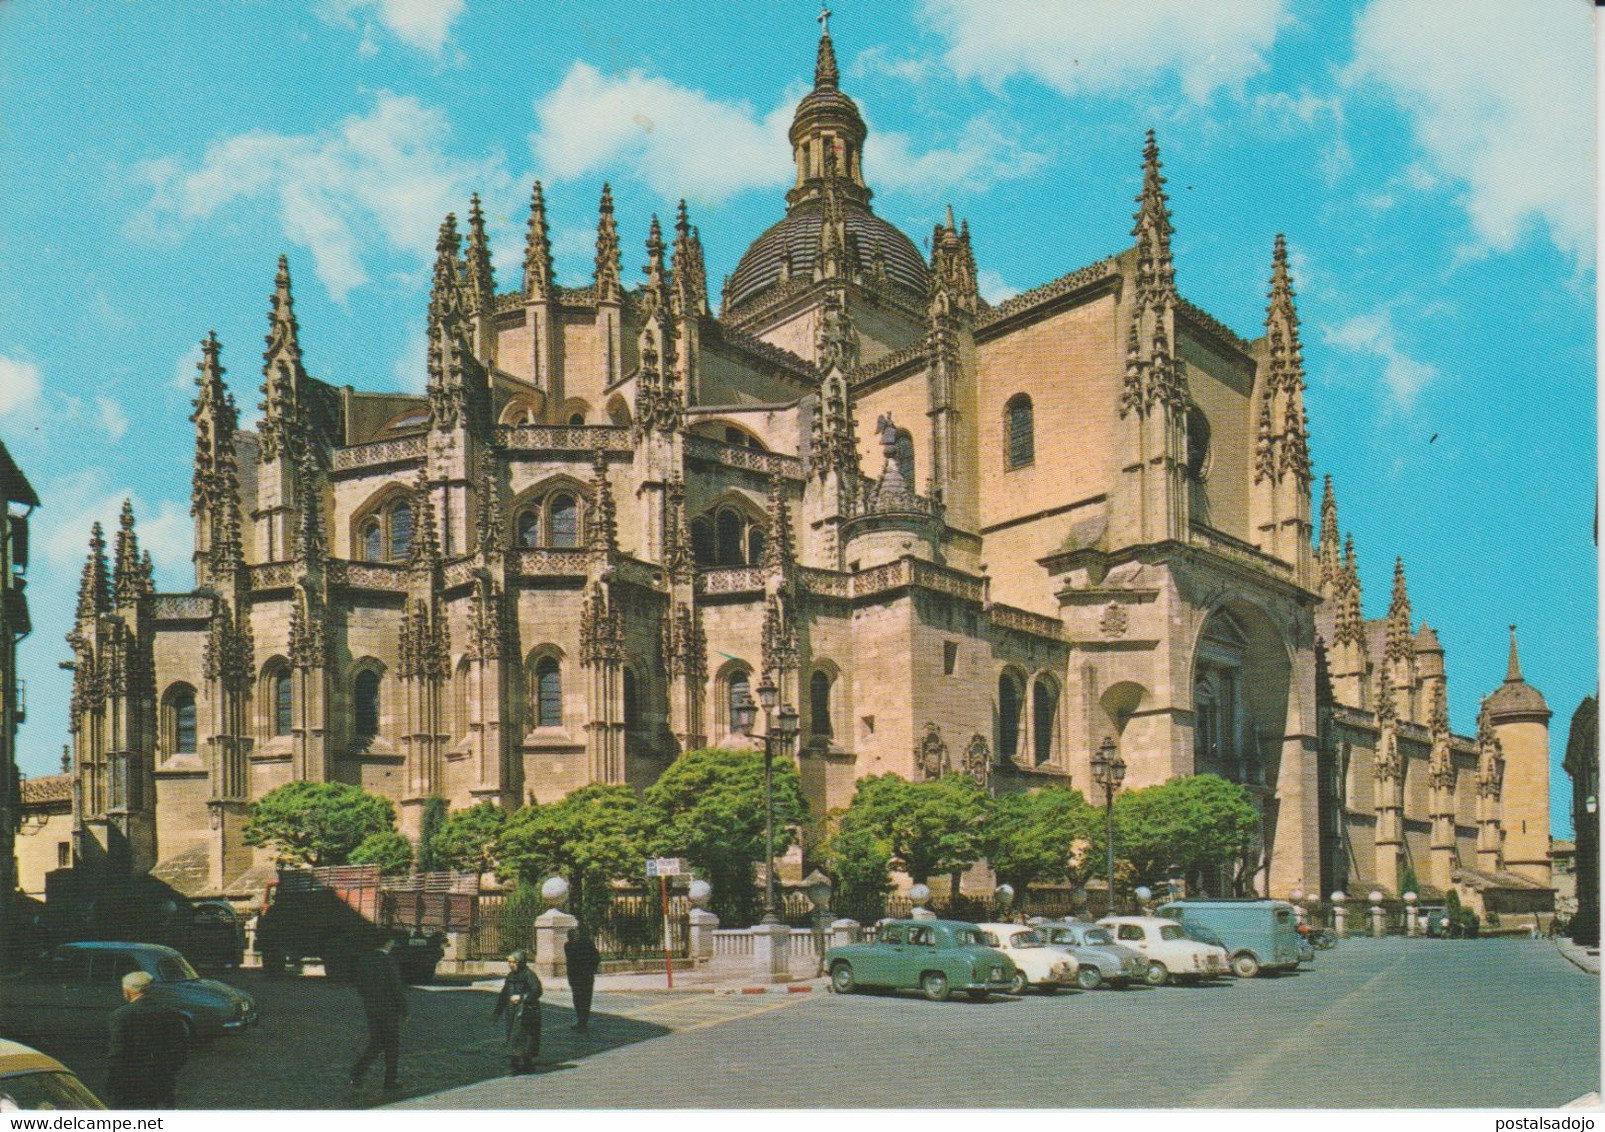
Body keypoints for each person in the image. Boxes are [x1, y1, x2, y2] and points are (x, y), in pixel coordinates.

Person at [106, 971, 189, 1109]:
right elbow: (182, 1049)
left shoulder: (121, 1015)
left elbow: (118, 1052)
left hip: (131, 1083)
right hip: (163, 1080)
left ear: (127, 990)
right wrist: (170, 1070)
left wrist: (113, 1081)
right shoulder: (171, 1013)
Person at [348, 933, 408, 1091]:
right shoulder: (389, 961)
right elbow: (396, 988)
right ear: (388, 942)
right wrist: (404, 1010)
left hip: (371, 1007)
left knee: (376, 1043)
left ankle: (358, 1072)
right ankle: (390, 1081)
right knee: (392, 1045)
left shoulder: (365, 960)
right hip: (389, 1008)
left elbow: (360, 985)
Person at [492, 951, 542, 1074]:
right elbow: (504, 994)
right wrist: (497, 1012)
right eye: (509, 962)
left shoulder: (529, 975)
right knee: (513, 1035)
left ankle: (521, 1063)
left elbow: (537, 990)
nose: (511, 965)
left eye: (513, 962)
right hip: (512, 1011)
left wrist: (522, 997)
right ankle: (517, 1062)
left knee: (524, 1036)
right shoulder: (510, 976)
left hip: (525, 1011)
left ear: (520, 962)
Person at [564, 930, 601, 1031]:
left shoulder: (583, 945)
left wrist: (591, 969)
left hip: (584, 977)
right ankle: (581, 1021)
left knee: (585, 1000)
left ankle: (583, 1022)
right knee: (578, 1000)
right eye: (570, 936)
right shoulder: (568, 946)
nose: (571, 938)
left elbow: (596, 957)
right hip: (577, 977)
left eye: (573, 936)